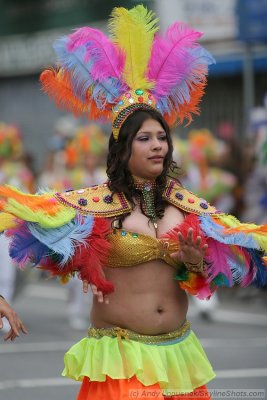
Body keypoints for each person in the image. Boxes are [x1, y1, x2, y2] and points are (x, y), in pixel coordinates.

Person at [0, 5, 266, 400]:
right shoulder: (91, 205)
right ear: (122, 149)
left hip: (180, 356)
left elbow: (216, 269)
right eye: (144, 138)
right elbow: (12, 214)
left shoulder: (189, 204)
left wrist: (194, 263)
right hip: (122, 363)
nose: (157, 145)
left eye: (161, 137)